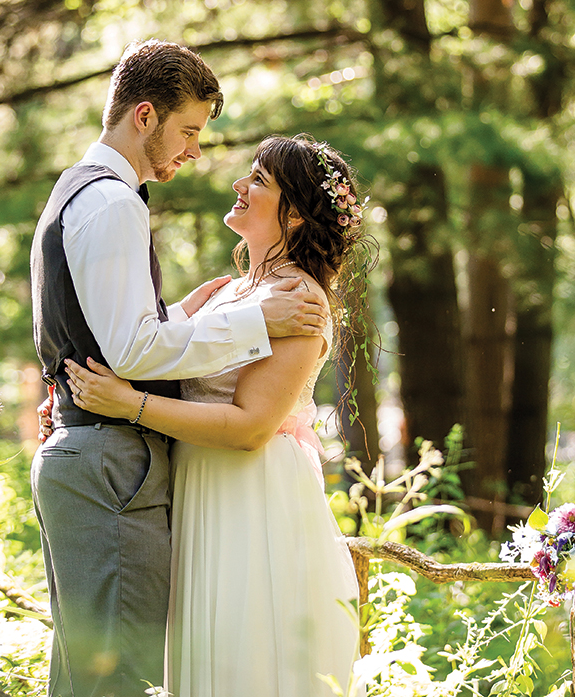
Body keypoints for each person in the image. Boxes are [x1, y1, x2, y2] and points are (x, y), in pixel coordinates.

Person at [29, 40, 328, 697]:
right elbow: (132, 348)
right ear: (144, 116)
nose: (197, 151)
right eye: (189, 130)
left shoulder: (79, 189)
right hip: (113, 466)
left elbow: (119, 336)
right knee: (112, 674)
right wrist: (254, 323)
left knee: (96, 670)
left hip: (156, 473)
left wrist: (114, 384)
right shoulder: (112, 202)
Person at [61, 134, 364, 696]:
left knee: (242, 658)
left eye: (258, 180)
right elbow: (156, 353)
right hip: (202, 485)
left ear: (294, 215)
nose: (238, 185)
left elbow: (251, 427)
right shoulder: (229, 291)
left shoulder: (299, 298)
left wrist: (132, 406)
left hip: (252, 496)